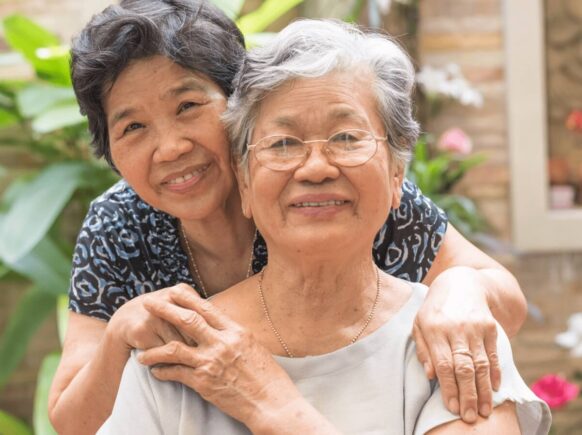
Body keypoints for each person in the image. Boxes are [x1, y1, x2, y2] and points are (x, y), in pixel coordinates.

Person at [48, 1, 528, 433]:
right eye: (132, 126)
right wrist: (119, 334)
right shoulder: (119, 223)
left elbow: (503, 297)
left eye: (189, 106)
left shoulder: (341, 192)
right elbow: (74, 419)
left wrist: (459, 287)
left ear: (239, 104)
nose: (171, 147)